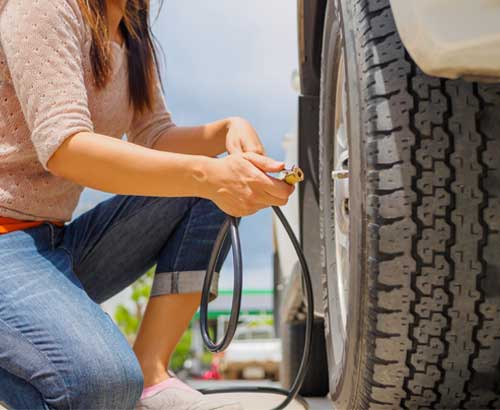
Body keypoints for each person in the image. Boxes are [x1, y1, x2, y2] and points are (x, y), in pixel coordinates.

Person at [0, 0, 294, 409]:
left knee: (204, 188)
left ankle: (152, 372)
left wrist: (228, 130)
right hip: (5, 245)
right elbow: (67, 148)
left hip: (53, 243)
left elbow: (153, 135)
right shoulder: (42, 7)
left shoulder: (131, 32)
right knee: (103, 384)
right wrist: (208, 176)